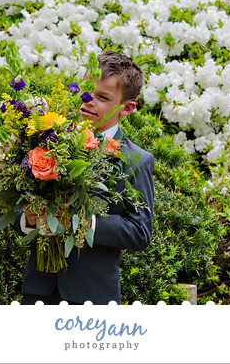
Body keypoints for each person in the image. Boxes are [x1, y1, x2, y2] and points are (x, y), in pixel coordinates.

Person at [18, 51, 155, 305]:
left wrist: (83, 222)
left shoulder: (137, 160)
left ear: (127, 108)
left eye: (102, 97)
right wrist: (27, 218)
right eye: (86, 91)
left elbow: (139, 231)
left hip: (92, 296)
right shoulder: (50, 137)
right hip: (39, 291)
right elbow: (22, 205)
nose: (88, 101)